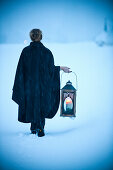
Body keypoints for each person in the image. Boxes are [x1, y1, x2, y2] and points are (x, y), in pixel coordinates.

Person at [12, 29, 71, 137]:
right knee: (41, 104)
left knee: (31, 104)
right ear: (41, 37)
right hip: (42, 88)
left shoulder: (25, 51)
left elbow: (20, 71)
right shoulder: (46, 52)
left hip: (29, 87)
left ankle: (34, 128)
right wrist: (61, 68)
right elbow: (50, 71)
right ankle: (39, 128)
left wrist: (21, 86)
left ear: (31, 37)